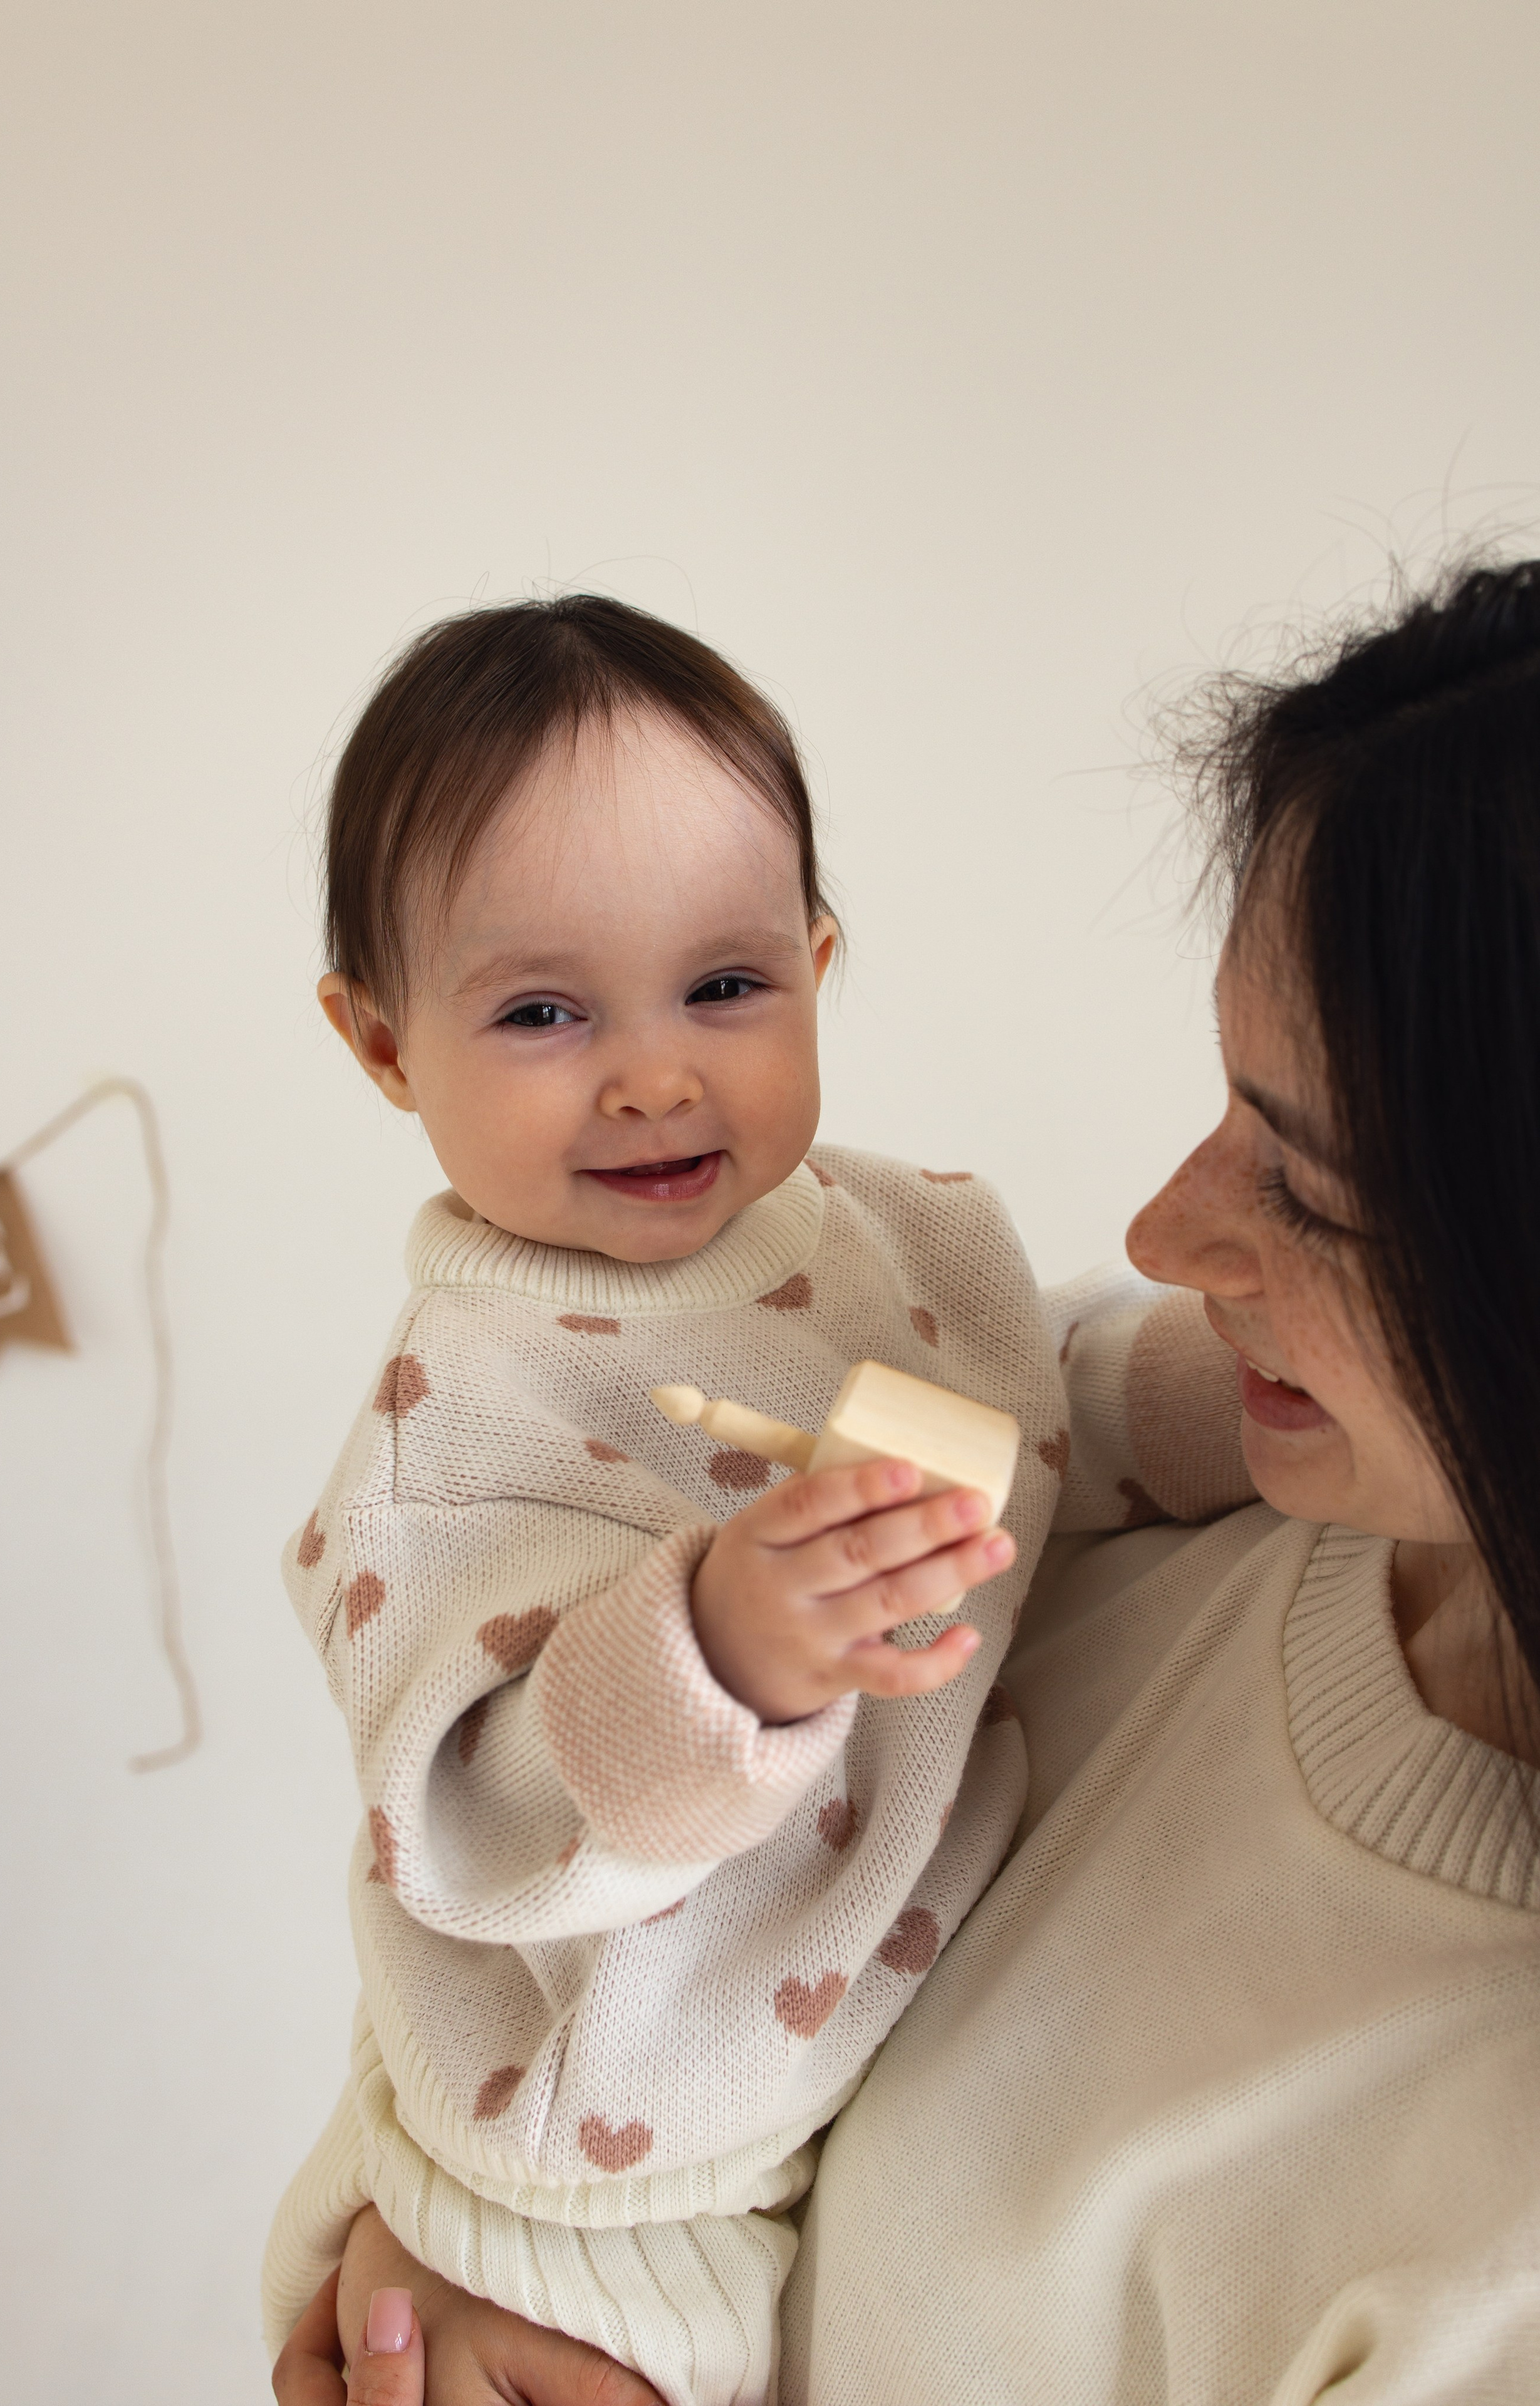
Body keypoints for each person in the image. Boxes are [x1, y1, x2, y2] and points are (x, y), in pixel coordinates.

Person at [304, 558, 1540, 2401]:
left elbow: (1059, 1411)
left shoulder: (893, 1251)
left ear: (815, 965)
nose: (651, 1079)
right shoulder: (458, 1420)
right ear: (384, 1045)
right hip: (597, 2191)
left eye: (1306, 1184)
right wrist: (704, 1655)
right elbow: (471, 1831)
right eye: (545, 1017)